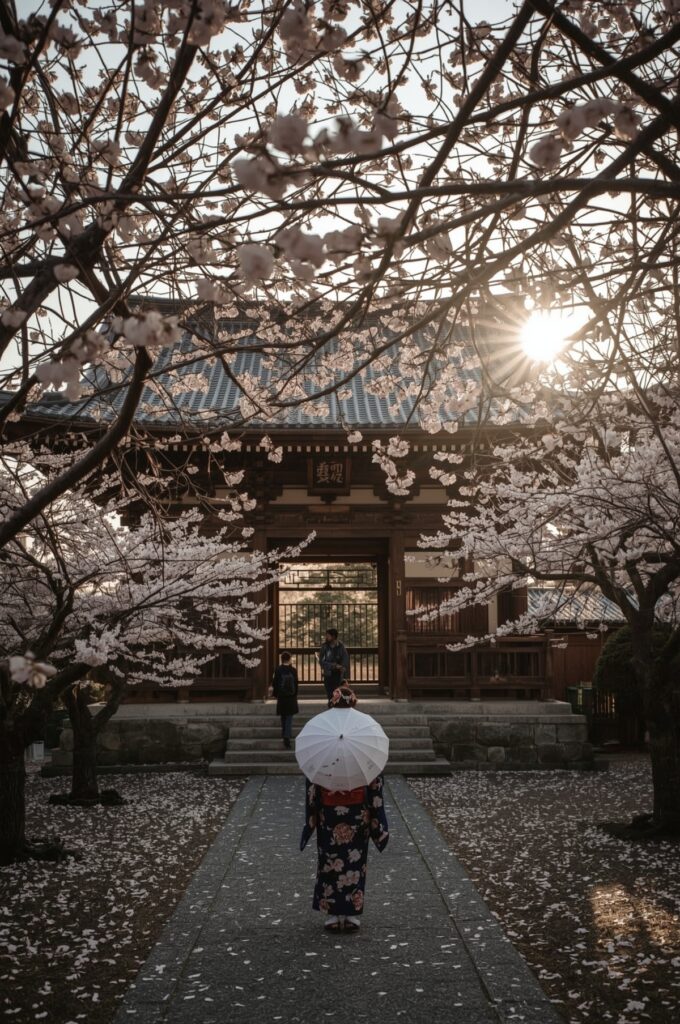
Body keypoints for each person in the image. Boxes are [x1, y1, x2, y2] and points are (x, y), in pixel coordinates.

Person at [300, 686, 389, 933]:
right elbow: (374, 779)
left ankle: (331, 914)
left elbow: (312, 777)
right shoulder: (364, 732)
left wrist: (312, 813)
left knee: (329, 860)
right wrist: (376, 817)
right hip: (357, 813)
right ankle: (352, 914)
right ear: (354, 703)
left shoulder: (322, 732)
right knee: (354, 862)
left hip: (329, 814)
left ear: (332, 702)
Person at [268, 651, 299, 749]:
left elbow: (275, 683)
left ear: (282, 659)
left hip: (281, 697)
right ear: (289, 659)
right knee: (289, 717)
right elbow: (296, 684)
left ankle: (284, 733)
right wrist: (295, 695)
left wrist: (276, 695)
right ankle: (287, 736)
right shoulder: (293, 670)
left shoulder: (278, 670)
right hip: (291, 697)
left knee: (283, 717)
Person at [318, 627, 350, 703]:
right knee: (330, 695)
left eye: (328, 636)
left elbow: (345, 659)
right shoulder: (324, 647)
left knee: (339, 694)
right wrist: (333, 665)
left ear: (333, 636)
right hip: (328, 674)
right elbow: (321, 661)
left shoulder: (341, 646)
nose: (326, 637)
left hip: (339, 675)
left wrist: (343, 667)